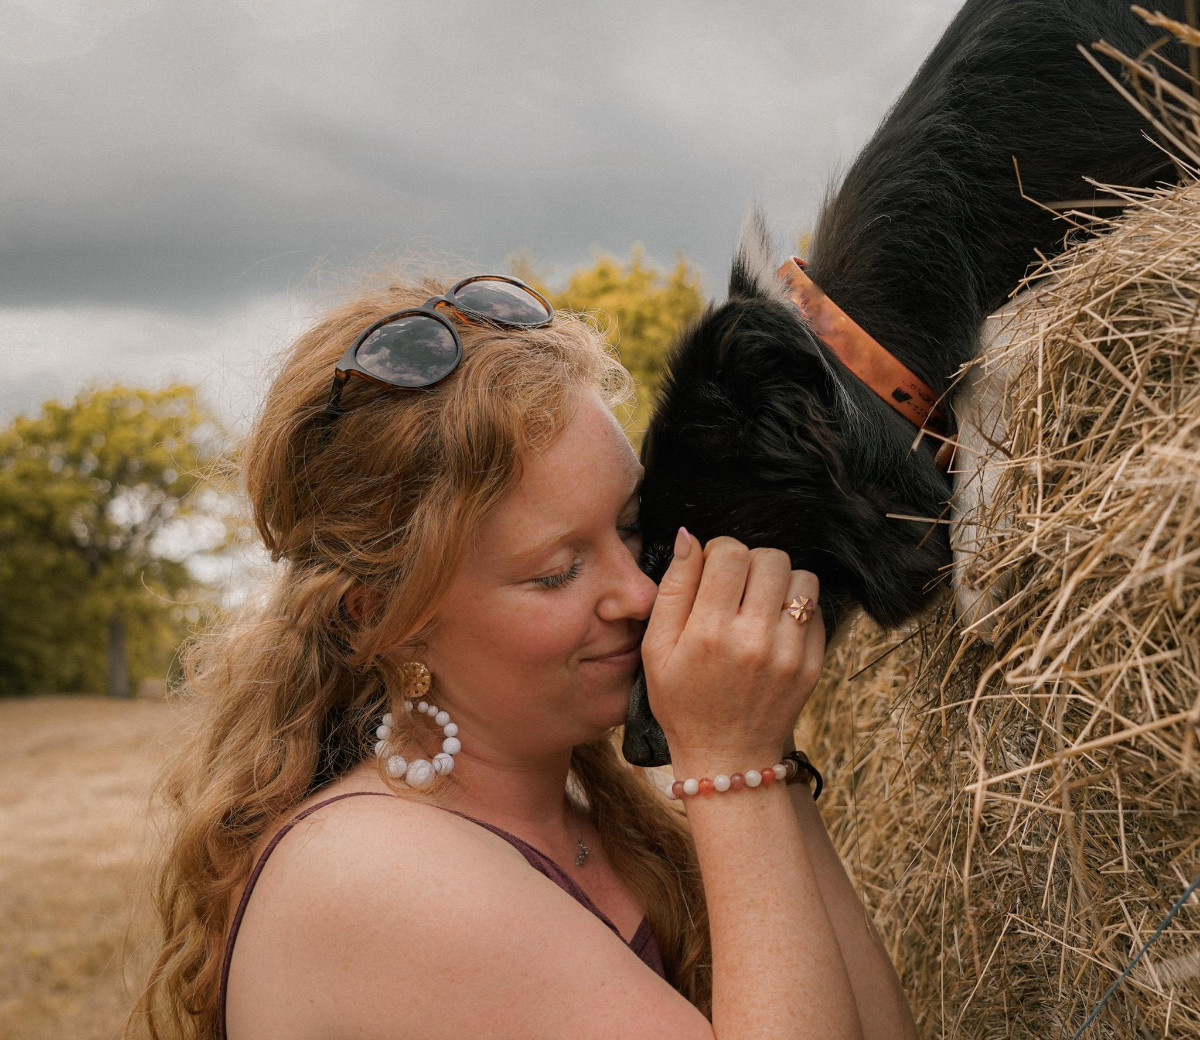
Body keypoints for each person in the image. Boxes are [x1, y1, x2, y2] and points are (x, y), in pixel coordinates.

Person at [129, 271, 917, 1040]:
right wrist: (732, 759)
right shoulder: (372, 875)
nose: (638, 596)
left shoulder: (599, 823)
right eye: (557, 572)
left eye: (632, 525)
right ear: (386, 620)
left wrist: (761, 748)